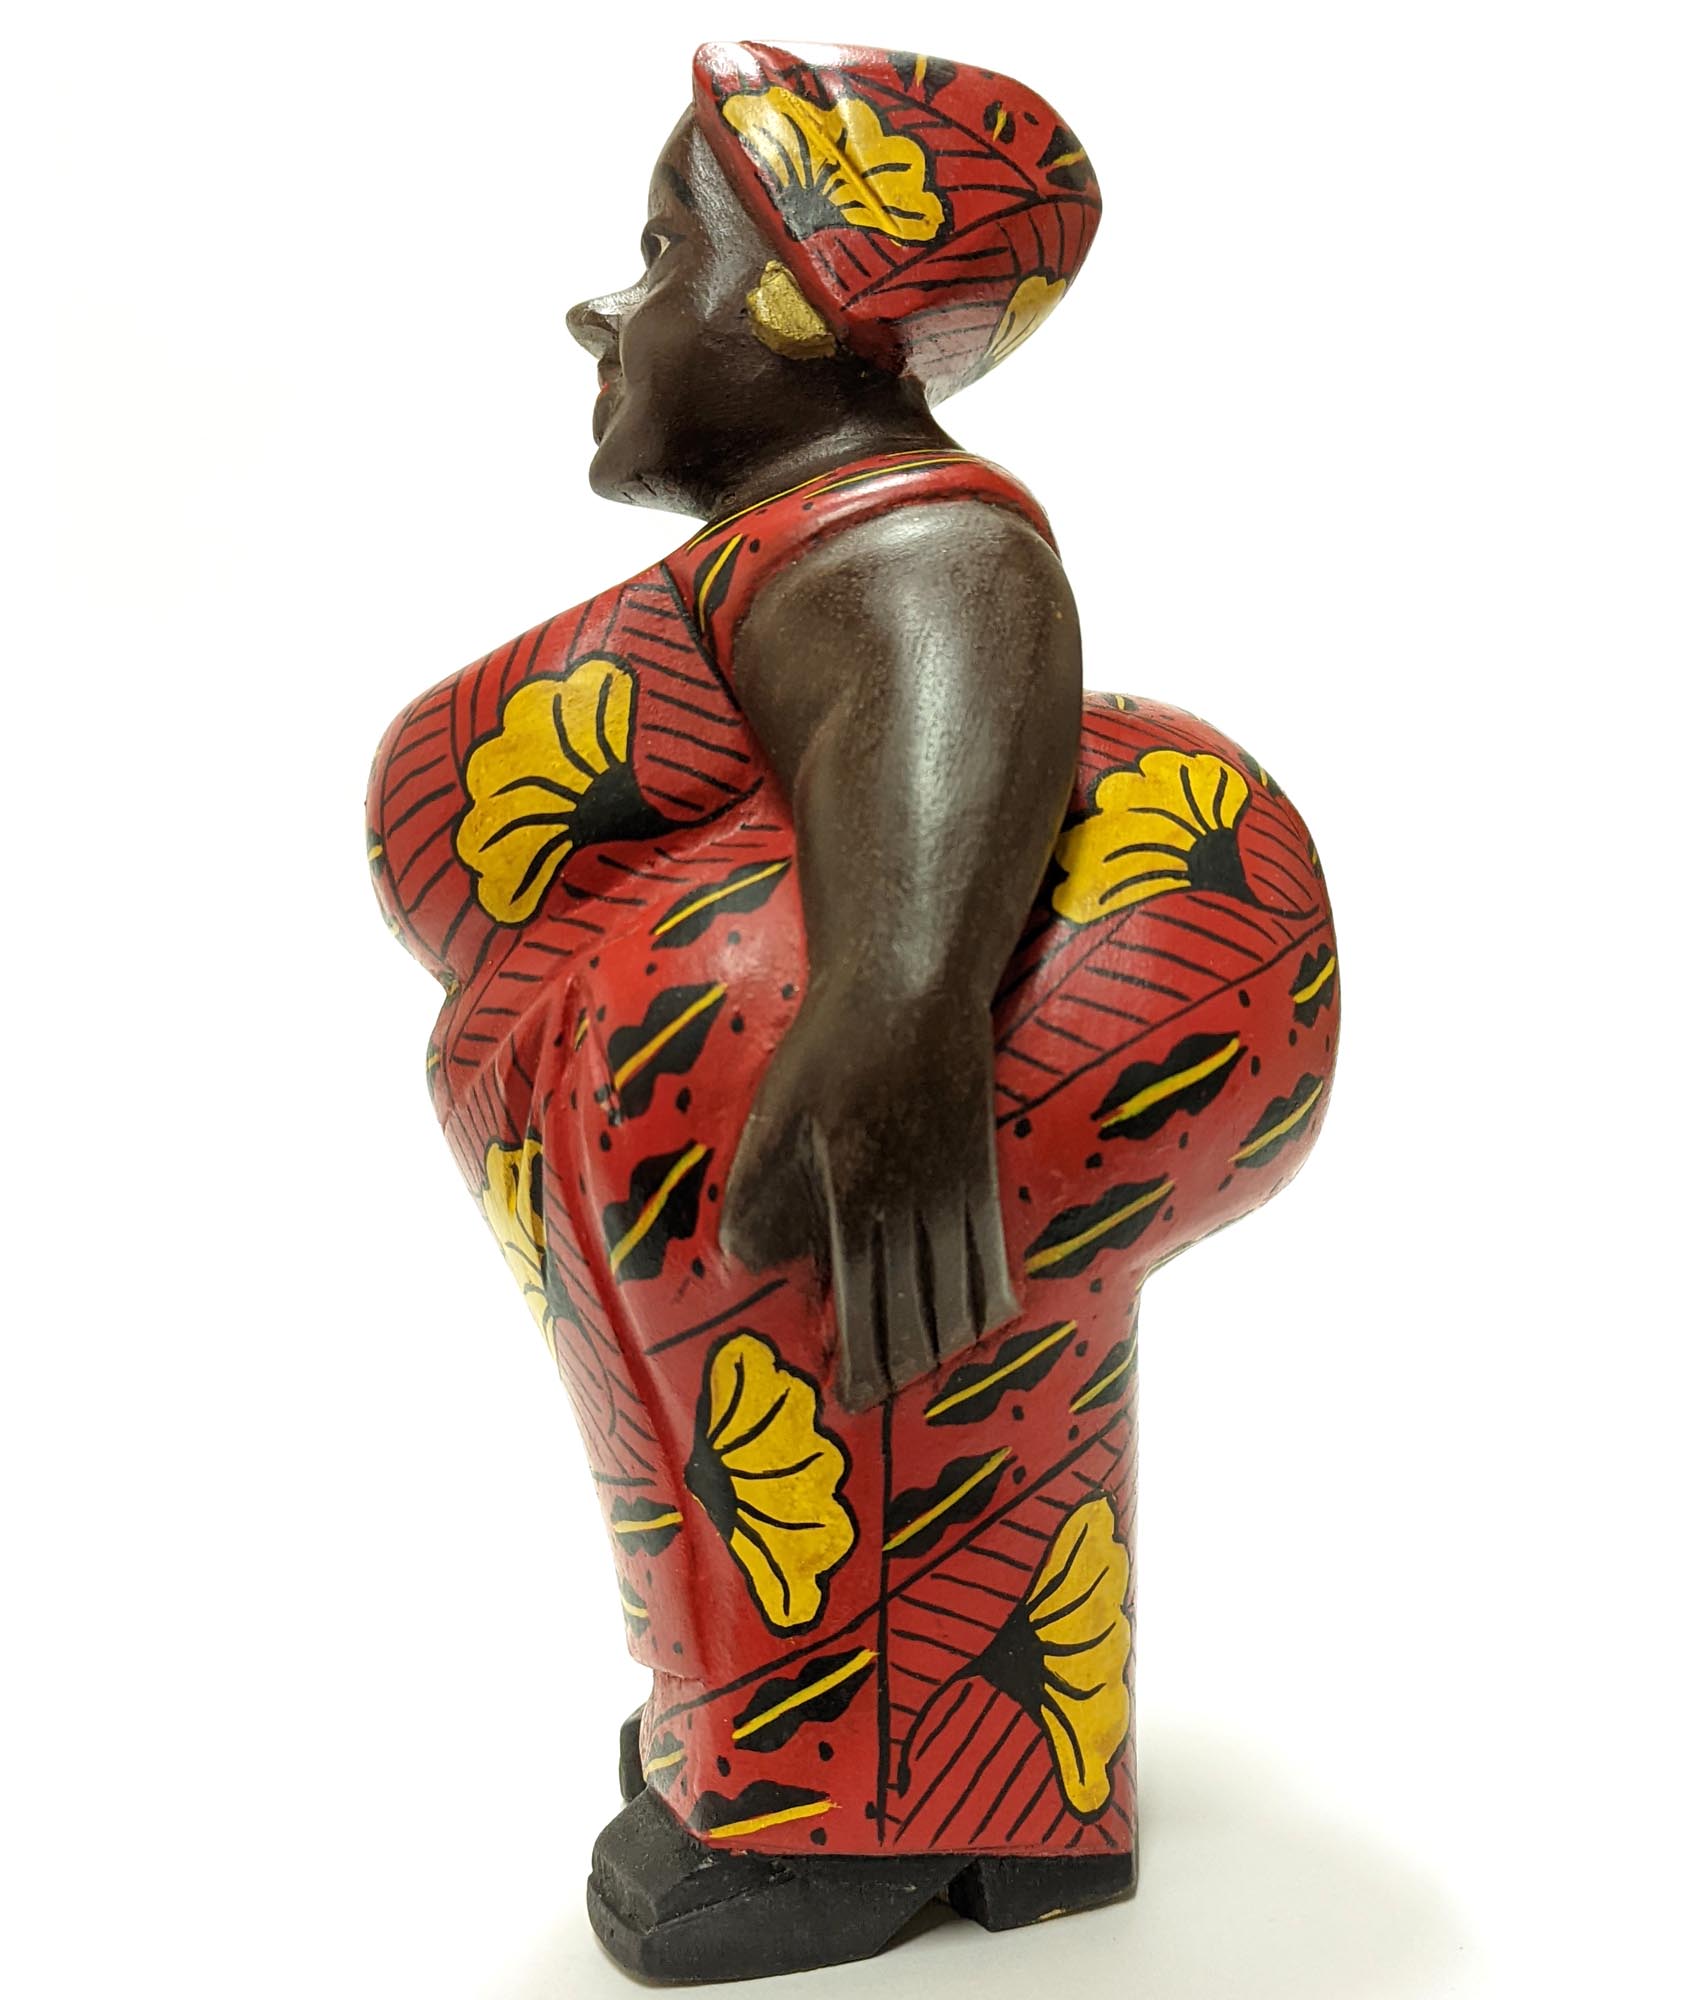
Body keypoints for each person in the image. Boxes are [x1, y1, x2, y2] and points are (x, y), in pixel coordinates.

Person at [366, 39, 1339, 1983]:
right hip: (712, 1130)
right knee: (793, 1433)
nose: (608, 306)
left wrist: (898, 1007)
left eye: (669, 251)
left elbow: (947, 635)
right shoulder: (800, 543)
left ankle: (877, 1802)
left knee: (873, 1408)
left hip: (843, 1105)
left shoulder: (897, 525)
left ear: (820, 304)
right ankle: (778, 1736)